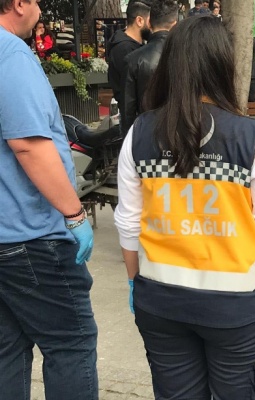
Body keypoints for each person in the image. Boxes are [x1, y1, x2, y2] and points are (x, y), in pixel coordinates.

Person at [114, 16, 255, 399]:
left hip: (162, 304)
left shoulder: (139, 134)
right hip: (238, 311)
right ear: (222, 65)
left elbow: (128, 222)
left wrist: (136, 281)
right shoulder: (249, 136)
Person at [0, 0, 97, 398]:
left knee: (8, 349)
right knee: (70, 343)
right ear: (19, 4)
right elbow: (28, 146)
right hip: (32, 237)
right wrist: (74, 214)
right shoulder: (11, 56)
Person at [123, 0, 177, 134]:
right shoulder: (187, 55)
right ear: (175, 25)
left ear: (149, 23)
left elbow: (128, 110)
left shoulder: (133, 59)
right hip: (178, 134)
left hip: (145, 132)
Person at [107, 0, 151, 135]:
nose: (153, 26)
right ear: (139, 21)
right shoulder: (124, 49)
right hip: (133, 119)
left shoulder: (130, 45)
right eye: (150, 21)